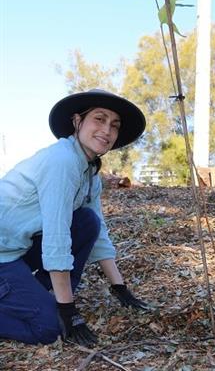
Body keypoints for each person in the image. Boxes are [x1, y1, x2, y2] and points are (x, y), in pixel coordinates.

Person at [0, 89, 151, 346]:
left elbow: (97, 231)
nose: (107, 130)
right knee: (48, 329)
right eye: (99, 119)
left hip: (18, 247)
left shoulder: (90, 173)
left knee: (87, 222)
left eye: (114, 125)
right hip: (3, 254)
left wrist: (120, 287)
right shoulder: (62, 160)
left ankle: (38, 293)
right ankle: (44, 301)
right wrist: (67, 310)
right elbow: (56, 235)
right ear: (77, 122)